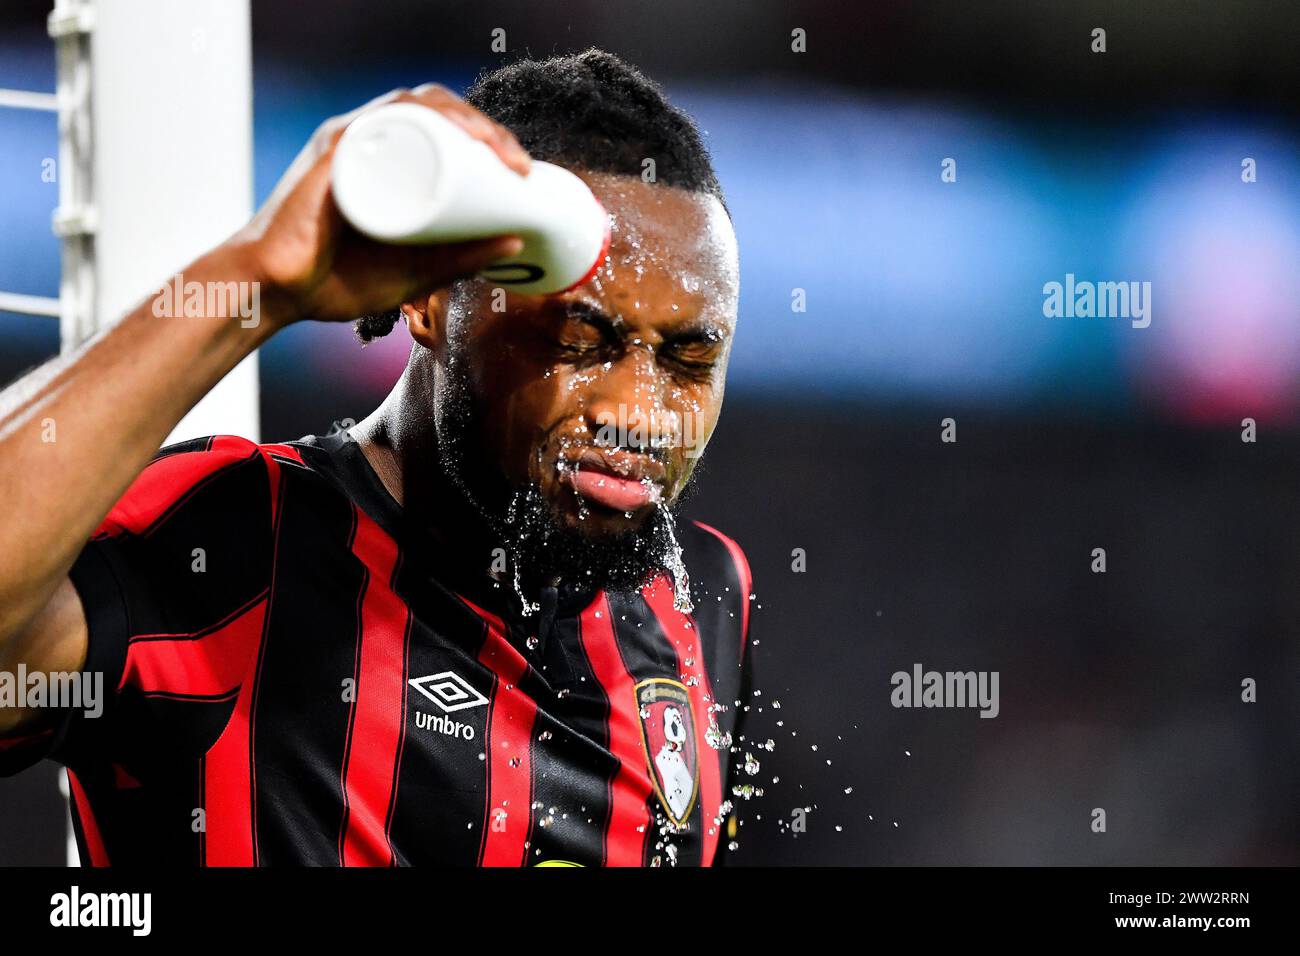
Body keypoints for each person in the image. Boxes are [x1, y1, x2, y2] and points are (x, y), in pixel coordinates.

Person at [0, 49, 753, 867]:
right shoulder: (237, 545)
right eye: (579, 343)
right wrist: (258, 279)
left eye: (686, 362)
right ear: (430, 299)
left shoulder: (705, 596)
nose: (639, 415)